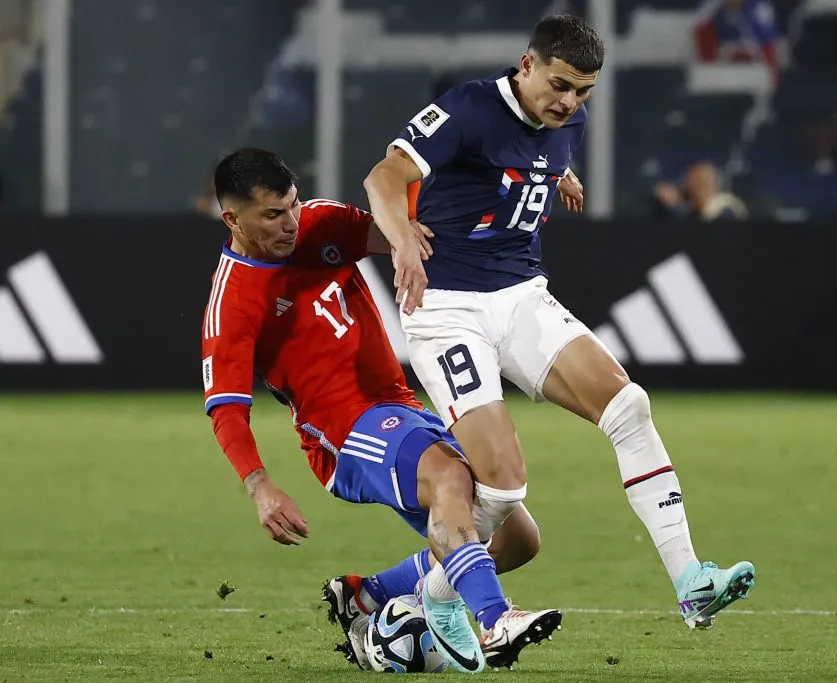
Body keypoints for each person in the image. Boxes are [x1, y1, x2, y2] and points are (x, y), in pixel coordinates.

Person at [361, 14, 756, 631]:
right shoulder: (467, 108)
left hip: (521, 296)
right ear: (527, 65)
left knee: (629, 406)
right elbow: (384, 176)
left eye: (584, 92)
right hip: (449, 311)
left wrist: (557, 174)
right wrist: (402, 240)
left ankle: (690, 581)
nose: (569, 102)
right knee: (503, 488)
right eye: (560, 85)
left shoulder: (566, 123)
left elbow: (534, 155)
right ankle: (419, 595)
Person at [200, 148, 561, 673]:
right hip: (343, 434)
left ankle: (369, 596)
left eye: (293, 205)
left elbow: (403, 235)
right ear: (232, 218)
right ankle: (494, 620)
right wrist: (261, 488)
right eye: (273, 215)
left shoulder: (320, 223)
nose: (291, 222)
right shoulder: (232, 299)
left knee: (517, 539)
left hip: (399, 406)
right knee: (450, 481)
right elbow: (226, 408)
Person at [653, 162, 748, 222]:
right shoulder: (694, 211)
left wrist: (675, 208)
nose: (690, 189)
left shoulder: (726, 210)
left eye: (698, 183)